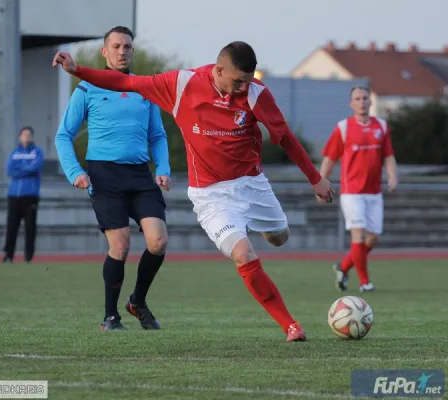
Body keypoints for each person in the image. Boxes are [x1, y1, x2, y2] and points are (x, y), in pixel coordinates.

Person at [53, 41, 335, 342]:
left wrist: (315, 179)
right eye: (237, 81)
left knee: (280, 237)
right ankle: (291, 326)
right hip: (211, 195)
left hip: (252, 185)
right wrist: (77, 70)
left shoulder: (256, 94)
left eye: (248, 81)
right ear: (218, 70)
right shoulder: (182, 84)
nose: (243, 87)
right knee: (243, 255)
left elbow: (286, 138)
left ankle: (267, 229)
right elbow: (124, 81)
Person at [55, 26, 170, 331]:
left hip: (139, 173)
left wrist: (163, 168)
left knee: (158, 241)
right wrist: (75, 172)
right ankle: (110, 316)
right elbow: (63, 135)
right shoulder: (86, 89)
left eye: (128, 46)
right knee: (119, 246)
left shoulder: (144, 89)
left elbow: (157, 135)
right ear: (104, 52)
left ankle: (137, 301)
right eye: (116, 46)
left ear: (133, 51)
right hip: (104, 175)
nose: (122, 51)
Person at [320, 86, 397, 293]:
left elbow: (388, 155)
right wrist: (320, 183)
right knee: (359, 235)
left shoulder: (381, 126)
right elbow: (329, 159)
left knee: (372, 239)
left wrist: (392, 175)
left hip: (374, 192)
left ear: (370, 102)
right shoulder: (343, 128)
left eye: (365, 98)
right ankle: (365, 282)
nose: (362, 102)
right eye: (357, 98)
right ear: (351, 103)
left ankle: (343, 267)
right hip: (352, 192)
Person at [3, 126, 44, 263]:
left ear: (32, 137)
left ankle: (29, 256)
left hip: (30, 195)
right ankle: (8, 255)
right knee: (12, 226)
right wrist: (26, 168)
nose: (26, 137)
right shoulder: (14, 153)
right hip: (14, 195)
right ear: (19, 137)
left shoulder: (37, 152)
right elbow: (10, 170)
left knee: (30, 227)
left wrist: (20, 168)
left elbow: (35, 167)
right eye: (24, 134)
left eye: (29, 135)